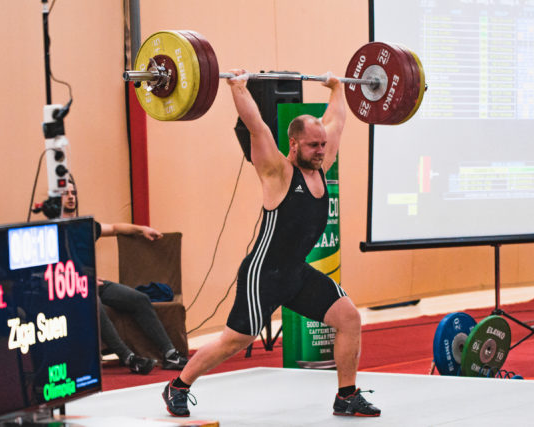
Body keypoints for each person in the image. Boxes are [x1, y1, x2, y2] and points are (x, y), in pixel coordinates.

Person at [162, 70, 380, 418]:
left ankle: (346, 395)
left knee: (349, 318)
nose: (321, 150)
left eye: (322, 144)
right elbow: (257, 127)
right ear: (294, 144)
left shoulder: (322, 163)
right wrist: (237, 87)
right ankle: (179, 385)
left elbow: (336, 120)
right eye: (313, 145)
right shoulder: (278, 172)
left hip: (295, 273)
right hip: (262, 274)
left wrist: (338, 88)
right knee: (235, 341)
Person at [60, 183, 188, 374]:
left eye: (73, 193)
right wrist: (81, 280)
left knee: (139, 299)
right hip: (71, 287)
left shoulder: (84, 225)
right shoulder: (51, 229)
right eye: (65, 193)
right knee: (94, 304)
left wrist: (141, 229)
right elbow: (50, 269)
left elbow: (113, 228)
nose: (71, 197)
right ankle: (130, 358)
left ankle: (170, 354)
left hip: (95, 282)